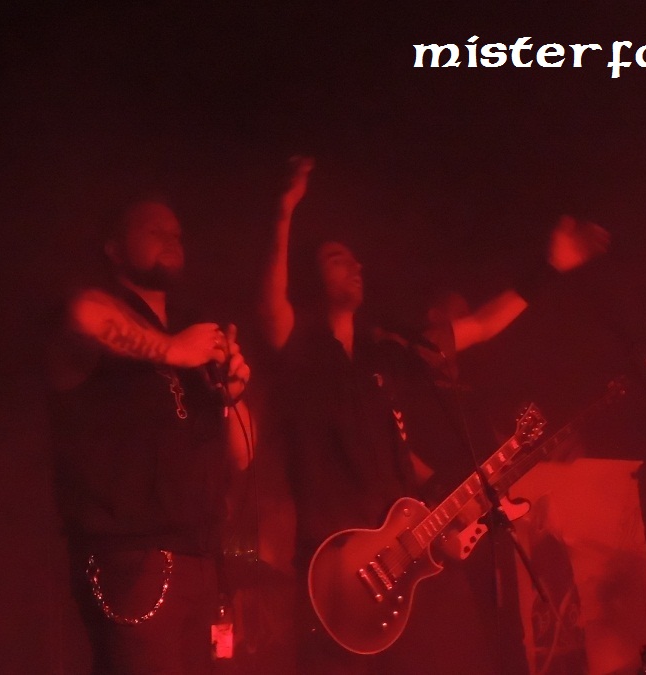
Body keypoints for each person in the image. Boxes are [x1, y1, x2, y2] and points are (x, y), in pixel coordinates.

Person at [259, 157, 609, 674]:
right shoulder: (300, 351)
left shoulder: (386, 354)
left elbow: (480, 326)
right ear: (311, 279)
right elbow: (271, 305)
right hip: (336, 573)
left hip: (403, 561)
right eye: (336, 259)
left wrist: (549, 268)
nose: (355, 267)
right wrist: (283, 212)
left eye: (356, 259)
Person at [47, 198, 252, 675]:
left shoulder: (192, 333)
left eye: (176, 232)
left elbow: (243, 455)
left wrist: (235, 396)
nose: (171, 238)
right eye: (153, 230)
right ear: (114, 248)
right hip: (135, 560)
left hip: (203, 559)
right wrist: (172, 349)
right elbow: (83, 314)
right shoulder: (99, 314)